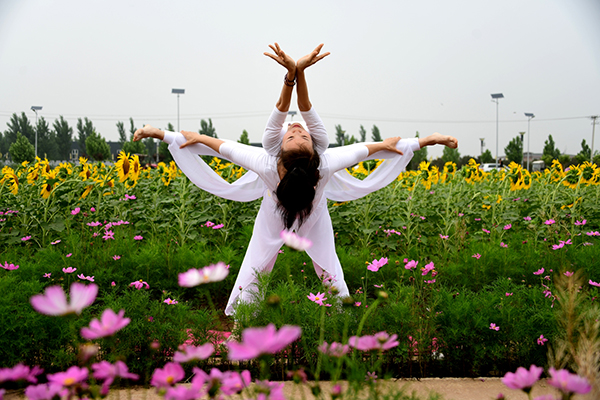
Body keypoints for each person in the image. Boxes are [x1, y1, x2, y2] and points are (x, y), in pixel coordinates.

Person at [134, 43, 458, 316]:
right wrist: (295, 73)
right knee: (257, 264)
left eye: (297, 133)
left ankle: (335, 316)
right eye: (295, 133)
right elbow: (358, 146)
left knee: (326, 266)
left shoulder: (271, 159)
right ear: (309, 149)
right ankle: (250, 320)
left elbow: (226, 143)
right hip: (280, 216)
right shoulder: (323, 160)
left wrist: (295, 73)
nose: (296, 127)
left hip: (311, 217)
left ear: (286, 151)